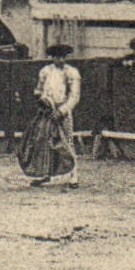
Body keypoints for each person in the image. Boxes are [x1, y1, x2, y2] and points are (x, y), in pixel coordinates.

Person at [20, 44, 81, 188]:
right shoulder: (45, 71)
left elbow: (74, 96)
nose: (59, 60)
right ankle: (46, 174)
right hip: (47, 111)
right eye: (56, 57)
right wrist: (41, 100)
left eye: (61, 57)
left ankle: (74, 176)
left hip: (62, 111)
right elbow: (38, 89)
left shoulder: (71, 72)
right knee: (44, 142)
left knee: (67, 142)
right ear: (52, 57)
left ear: (66, 57)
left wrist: (61, 111)